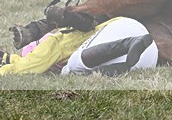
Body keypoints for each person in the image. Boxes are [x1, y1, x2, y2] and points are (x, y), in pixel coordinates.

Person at [0, 17, 157, 76]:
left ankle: (126, 46)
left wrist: (6, 69)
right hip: (147, 54)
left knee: (75, 65)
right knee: (72, 69)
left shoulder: (56, 41)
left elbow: (24, 68)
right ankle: (108, 71)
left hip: (130, 40)